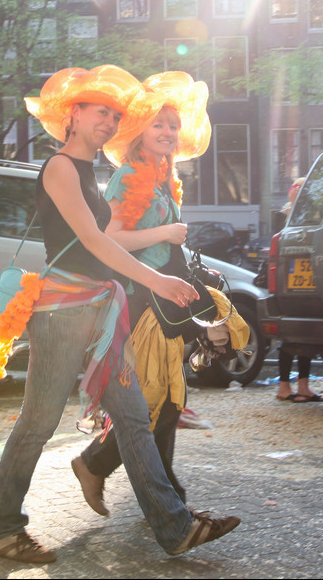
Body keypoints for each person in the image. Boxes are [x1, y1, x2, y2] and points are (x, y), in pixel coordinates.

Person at [0, 65, 240, 564]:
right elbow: (96, 241)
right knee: (37, 422)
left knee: (133, 417)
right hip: (62, 314)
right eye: (101, 112)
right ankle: (2, 528)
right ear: (73, 114)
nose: (109, 122)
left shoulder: (88, 173)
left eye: (115, 115)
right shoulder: (60, 167)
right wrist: (158, 280)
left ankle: (175, 526)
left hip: (99, 313)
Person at [71, 71, 247, 511]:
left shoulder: (163, 176)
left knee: (166, 401)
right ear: (138, 132)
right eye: (158, 124)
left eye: (173, 124)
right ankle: (117, 475)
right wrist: (168, 231)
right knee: (156, 404)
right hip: (139, 303)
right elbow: (107, 238)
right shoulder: (129, 177)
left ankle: (155, 494)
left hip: (163, 300)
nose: (168, 132)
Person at [274, 177, 323, 403]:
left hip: (300, 282)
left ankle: (301, 385)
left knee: (306, 334)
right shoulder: (290, 217)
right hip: (297, 284)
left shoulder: (302, 217)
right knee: (293, 335)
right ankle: (286, 386)